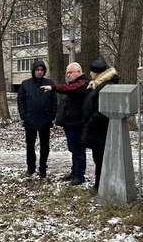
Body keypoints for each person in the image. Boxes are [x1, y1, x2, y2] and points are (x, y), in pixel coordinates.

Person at [42, 62, 89, 185]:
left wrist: (54, 88)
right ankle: (75, 172)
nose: (68, 75)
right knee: (73, 149)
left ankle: (79, 175)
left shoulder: (83, 83)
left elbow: (70, 89)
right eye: (67, 72)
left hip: (77, 123)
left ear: (79, 72)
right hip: (70, 122)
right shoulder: (76, 84)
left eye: (70, 72)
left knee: (78, 150)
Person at [82, 58, 120, 190]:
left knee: (100, 159)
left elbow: (101, 111)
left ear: (97, 73)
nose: (90, 74)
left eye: (91, 72)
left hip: (100, 130)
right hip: (97, 129)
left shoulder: (105, 87)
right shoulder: (99, 85)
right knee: (98, 158)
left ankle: (101, 186)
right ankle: (100, 184)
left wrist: (90, 124)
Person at [17, 59, 57, 177]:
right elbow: (20, 100)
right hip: (30, 119)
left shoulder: (49, 83)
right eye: (37, 70)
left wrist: (51, 116)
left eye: (42, 70)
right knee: (30, 145)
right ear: (33, 71)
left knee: (45, 145)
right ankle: (31, 167)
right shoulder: (26, 84)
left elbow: (54, 101)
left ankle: (43, 167)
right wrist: (24, 115)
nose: (39, 72)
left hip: (45, 119)